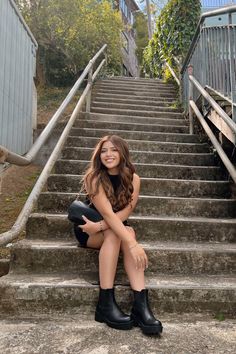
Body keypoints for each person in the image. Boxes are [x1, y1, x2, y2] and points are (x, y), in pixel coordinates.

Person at [73, 135, 163, 335]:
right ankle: (105, 304)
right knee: (120, 234)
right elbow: (107, 213)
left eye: (113, 150)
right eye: (104, 150)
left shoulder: (134, 178)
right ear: (99, 155)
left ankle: (141, 306)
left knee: (125, 231)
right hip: (89, 229)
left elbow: (125, 213)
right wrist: (131, 243)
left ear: (122, 153)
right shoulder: (93, 177)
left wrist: (106, 228)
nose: (108, 154)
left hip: (106, 227)